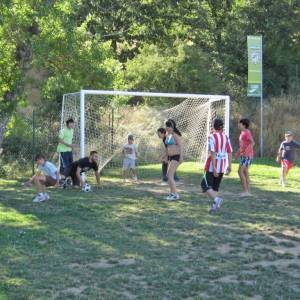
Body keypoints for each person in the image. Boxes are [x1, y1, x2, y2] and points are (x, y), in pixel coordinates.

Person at [201, 118, 232, 214]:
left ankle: (217, 200)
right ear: (222, 126)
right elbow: (229, 152)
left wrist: (214, 167)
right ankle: (214, 208)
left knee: (204, 186)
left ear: (213, 126)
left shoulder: (211, 137)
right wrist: (229, 166)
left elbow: (213, 153)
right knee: (214, 188)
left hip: (212, 166)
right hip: (222, 166)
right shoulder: (226, 137)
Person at [234, 118, 255, 197]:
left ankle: (246, 191)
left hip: (247, 156)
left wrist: (246, 152)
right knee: (245, 172)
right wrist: (237, 154)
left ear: (244, 125)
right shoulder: (242, 133)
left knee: (240, 171)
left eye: (240, 123)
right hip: (244, 156)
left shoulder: (247, 132)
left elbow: (253, 143)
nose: (238, 125)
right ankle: (248, 191)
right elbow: (242, 146)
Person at [164, 119, 183, 200]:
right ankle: (172, 194)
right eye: (166, 127)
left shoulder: (175, 135)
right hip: (170, 158)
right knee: (168, 176)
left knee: (170, 175)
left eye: (168, 127)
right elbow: (168, 147)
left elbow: (181, 146)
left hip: (176, 157)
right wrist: (166, 157)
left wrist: (181, 157)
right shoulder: (168, 135)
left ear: (172, 127)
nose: (167, 128)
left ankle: (175, 195)